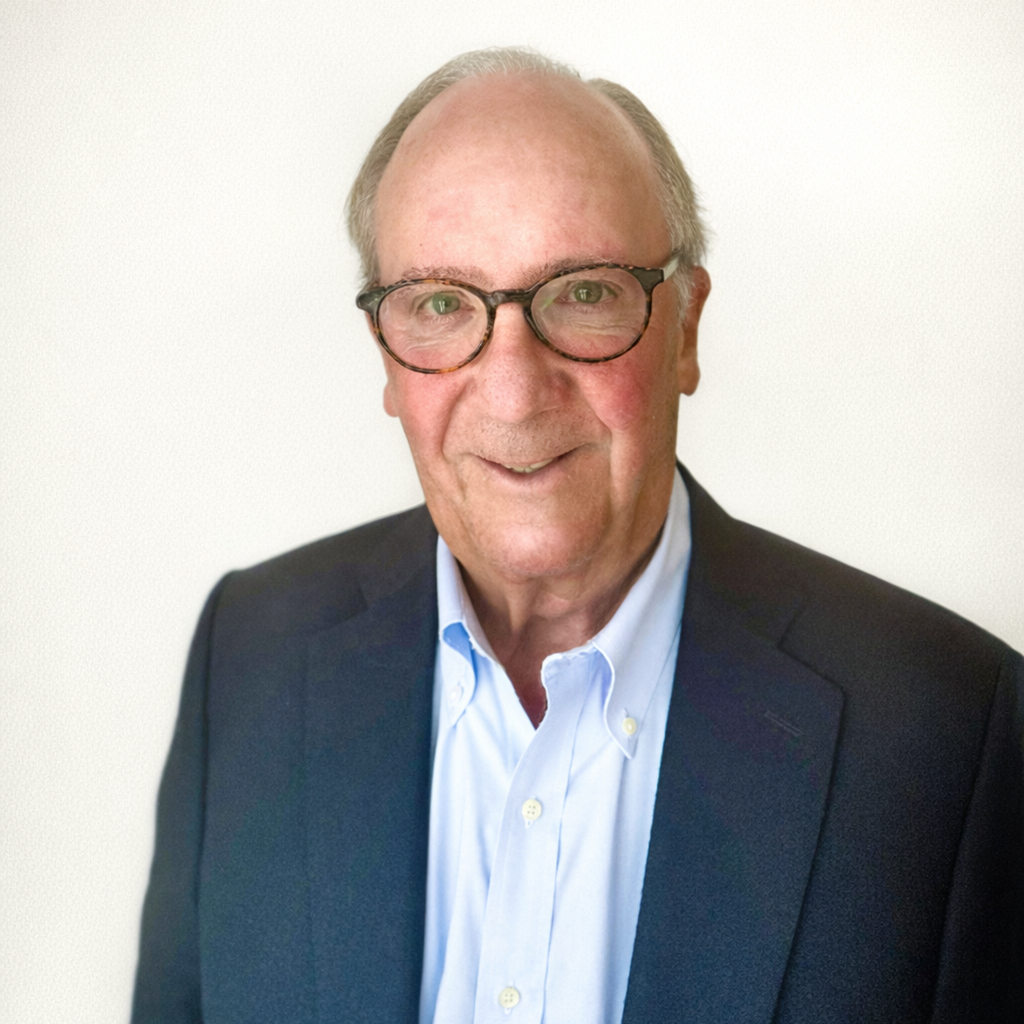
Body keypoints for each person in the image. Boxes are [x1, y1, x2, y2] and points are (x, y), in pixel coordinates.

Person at [131, 48, 1022, 1024]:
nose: (515, 394)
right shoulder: (247, 658)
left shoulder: (949, 729)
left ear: (685, 330)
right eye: (440, 304)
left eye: (585, 293)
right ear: (385, 354)